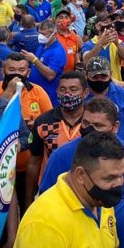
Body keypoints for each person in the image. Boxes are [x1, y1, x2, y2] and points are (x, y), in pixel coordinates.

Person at [39, 98, 124, 248]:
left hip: (116, 240)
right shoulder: (61, 156)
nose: (90, 130)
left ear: (115, 127)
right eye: (86, 123)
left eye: (99, 125)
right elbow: (45, 201)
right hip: (77, 246)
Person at [0, 53, 53, 211]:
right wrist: (9, 91)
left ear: (28, 72)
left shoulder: (37, 91)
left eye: (21, 70)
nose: (16, 74)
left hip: (29, 166)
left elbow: (51, 121)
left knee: (28, 205)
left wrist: (36, 126)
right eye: (11, 69)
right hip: (1, 169)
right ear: (3, 71)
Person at [25, 71, 88, 206]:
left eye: (73, 90)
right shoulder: (43, 122)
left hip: (85, 192)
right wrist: (28, 200)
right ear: (57, 91)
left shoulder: (92, 121)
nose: (67, 94)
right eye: (62, 90)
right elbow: (34, 162)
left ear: (85, 93)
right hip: (50, 191)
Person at [84, 56, 124, 150]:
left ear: (110, 75)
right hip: (86, 148)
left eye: (103, 76)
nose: (99, 80)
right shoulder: (80, 95)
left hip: (116, 150)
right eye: (95, 77)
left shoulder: (123, 94)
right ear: (86, 75)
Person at [26, 18, 67, 107]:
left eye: (44, 34)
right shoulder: (42, 45)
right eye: (39, 33)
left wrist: (34, 60)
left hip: (48, 95)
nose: (40, 36)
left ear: (54, 34)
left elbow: (50, 75)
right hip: (35, 93)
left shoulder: (57, 52)